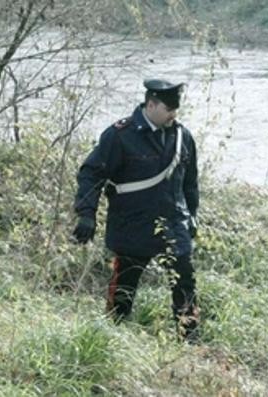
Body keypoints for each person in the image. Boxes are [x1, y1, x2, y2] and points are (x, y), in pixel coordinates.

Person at [72, 78, 200, 340]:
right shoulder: (120, 136)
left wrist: (192, 218)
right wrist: (87, 214)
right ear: (151, 104)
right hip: (132, 226)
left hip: (173, 226)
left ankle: (189, 340)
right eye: (168, 110)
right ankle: (112, 338)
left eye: (176, 110)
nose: (173, 115)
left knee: (185, 283)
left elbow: (190, 184)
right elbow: (91, 174)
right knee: (123, 289)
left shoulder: (182, 136)